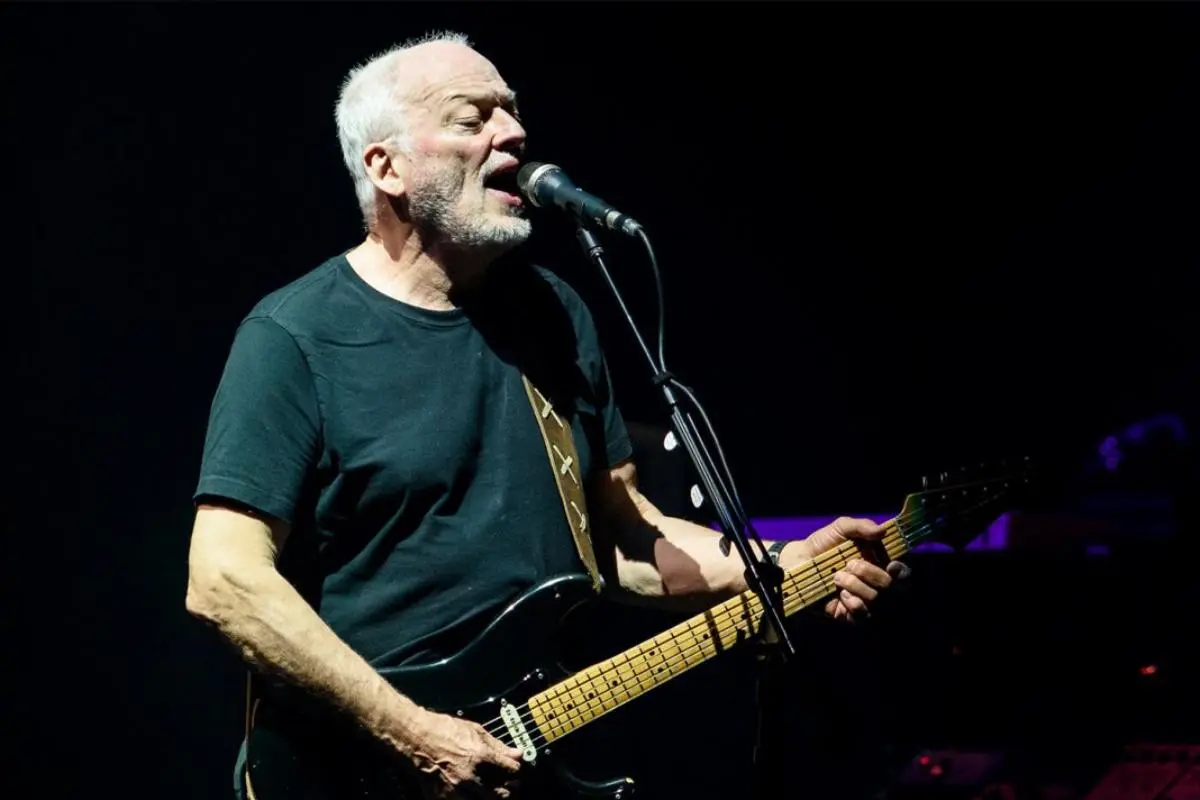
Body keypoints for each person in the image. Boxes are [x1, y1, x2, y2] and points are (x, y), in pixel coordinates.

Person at [185, 31, 910, 800]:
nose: (514, 134)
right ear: (385, 167)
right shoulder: (294, 337)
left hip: (523, 767)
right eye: (473, 119)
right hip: (354, 770)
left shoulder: (552, 314)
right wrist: (413, 732)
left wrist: (779, 566)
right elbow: (224, 578)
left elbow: (621, 537)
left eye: (513, 113)